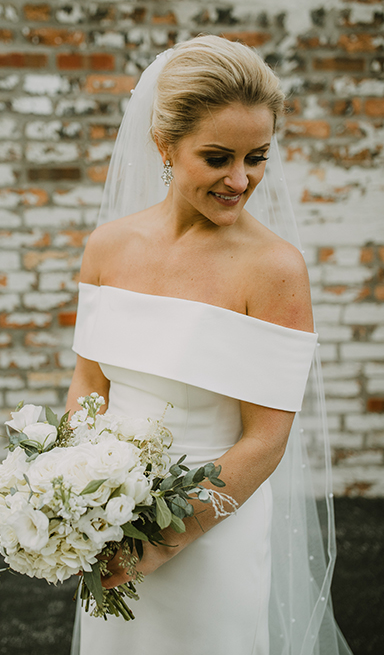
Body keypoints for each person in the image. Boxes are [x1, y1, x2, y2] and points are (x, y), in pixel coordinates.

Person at [66, 36, 353, 655]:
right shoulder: (108, 247)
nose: (241, 179)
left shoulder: (274, 268)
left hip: (213, 528)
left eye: (258, 156)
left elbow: (266, 437)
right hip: (109, 519)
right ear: (164, 145)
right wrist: (73, 496)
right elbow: (90, 385)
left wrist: (159, 542)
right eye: (218, 157)